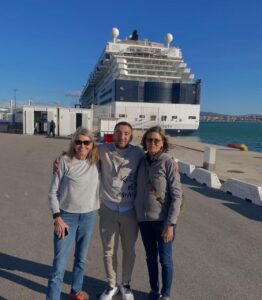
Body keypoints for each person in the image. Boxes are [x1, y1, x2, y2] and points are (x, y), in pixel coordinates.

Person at [47, 127, 100, 300]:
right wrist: (57, 218)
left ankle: (75, 292)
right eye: (78, 142)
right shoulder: (64, 161)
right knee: (59, 265)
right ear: (73, 143)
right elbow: (52, 192)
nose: (82, 146)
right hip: (66, 217)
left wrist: (168, 159)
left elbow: (123, 151)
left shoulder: (97, 161)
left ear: (92, 144)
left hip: (89, 216)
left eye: (86, 142)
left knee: (81, 259)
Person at [134, 126, 183, 300]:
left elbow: (177, 196)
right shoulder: (141, 159)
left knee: (165, 259)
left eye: (156, 140)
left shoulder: (168, 162)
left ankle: (166, 294)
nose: (152, 142)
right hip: (144, 220)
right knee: (150, 257)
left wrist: (170, 224)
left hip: (163, 221)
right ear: (145, 142)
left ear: (163, 143)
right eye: (149, 139)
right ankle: (154, 290)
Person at [98, 122, 144, 300]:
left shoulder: (138, 153)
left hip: (130, 210)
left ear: (131, 136)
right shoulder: (103, 149)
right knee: (108, 250)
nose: (122, 136)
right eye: (118, 132)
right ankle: (111, 284)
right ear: (113, 134)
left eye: (126, 133)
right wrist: (61, 158)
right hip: (108, 208)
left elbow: (155, 159)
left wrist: (172, 162)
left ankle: (125, 284)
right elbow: (80, 151)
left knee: (129, 250)